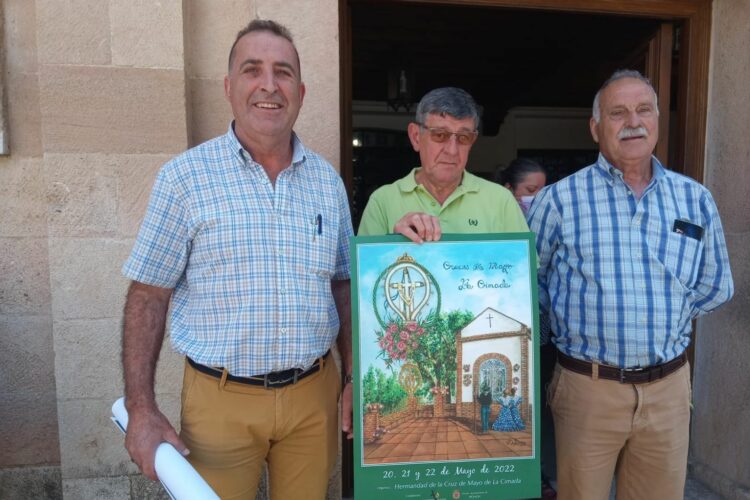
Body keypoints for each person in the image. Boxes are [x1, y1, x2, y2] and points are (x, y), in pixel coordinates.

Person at [120, 19, 353, 500]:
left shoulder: (328, 183)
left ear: (302, 91)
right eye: (253, 70)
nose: (269, 84)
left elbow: (342, 286)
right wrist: (141, 408)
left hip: (314, 398)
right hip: (219, 402)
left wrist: (353, 376)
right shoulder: (184, 178)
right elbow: (148, 294)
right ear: (229, 87)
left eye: (283, 72)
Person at [528, 69, 734, 500]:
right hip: (588, 388)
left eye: (644, 110)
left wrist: (664, 314)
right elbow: (532, 283)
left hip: (669, 389)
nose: (633, 122)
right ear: (595, 127)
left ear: (658, 119)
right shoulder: (560, 200)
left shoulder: (694, 198)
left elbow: (715, 284)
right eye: (618, 113)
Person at [358, 86, 529, 240]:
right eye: (440, 135)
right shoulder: (383, 201)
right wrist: (393, 241)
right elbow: (367, 273)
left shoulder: (501, 201)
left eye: (463, 137)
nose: (452, 150)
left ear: (473, 141)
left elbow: (523, 271)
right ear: (416, 137)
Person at [496, 158, 556, 499]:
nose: (539, 197)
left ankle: (542, 475)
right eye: (531, 191)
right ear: (509, 191)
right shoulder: (498, 218)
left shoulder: (548, 221)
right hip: (507, 331)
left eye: (544, 190)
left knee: (539, 402)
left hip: (542, 332)